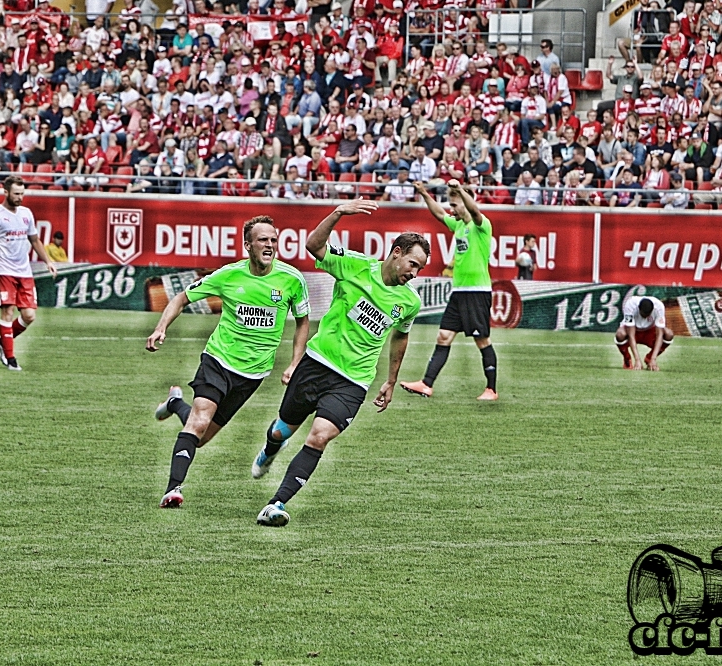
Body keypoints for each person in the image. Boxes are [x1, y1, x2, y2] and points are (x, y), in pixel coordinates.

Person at [253, 201, 428, 527]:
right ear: (396, 252)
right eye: (412, 264)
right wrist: (338, 213)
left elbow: (400, 337)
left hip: (354, 380)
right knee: (281, 429)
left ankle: (276, 503)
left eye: (419, 269)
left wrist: (390, 380)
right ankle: (270, 448)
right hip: (317, 363)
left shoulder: (409, 301)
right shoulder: (355, 266)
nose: (414, 273)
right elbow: (313, 246)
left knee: (319, 437)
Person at [146, 216, 311, 508]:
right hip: (219, 360)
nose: (270, 245)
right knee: (198, 421)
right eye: (263, 240)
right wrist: (161, 328)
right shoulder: (228, 275)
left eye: (273, 239)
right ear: (247, 245)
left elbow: (302, 321)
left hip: (253, 373)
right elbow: (181, 298)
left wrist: (295, 361)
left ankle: (174, 404)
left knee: (202, 436)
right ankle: (173, 489)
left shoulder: (292, 279)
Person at [401, 180, 498, 401]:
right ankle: (426, 384)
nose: (451, 210)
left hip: (477, 291)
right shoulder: (459, 226)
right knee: (443, 336)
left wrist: (461, 191)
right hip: (459, 292)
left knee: (482, 340)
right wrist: (425, 193)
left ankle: (491, 389)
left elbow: (474, 210)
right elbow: (438, 214)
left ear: (465, 202)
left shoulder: (481, 225)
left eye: (455, 205)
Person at [0, 176, 58, 372]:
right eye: (16, 194)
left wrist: (48, 261)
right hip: (4, 271)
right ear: (6, 192)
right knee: (7, 311)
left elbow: (34, 240)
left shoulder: (26, 213)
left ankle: (2, 341)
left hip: (24, 271)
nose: (20, 198)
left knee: (29, 315)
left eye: (22, 194)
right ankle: (10, 358)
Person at [615, 295, 673, 371]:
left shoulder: (659, 307)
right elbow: (631, 335)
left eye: (648, 315)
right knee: (620, 334)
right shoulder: (630, 304)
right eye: (643, 314)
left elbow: (660, 335)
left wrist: (653, 358)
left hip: (650, 330)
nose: (645, 317)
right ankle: (627, 358)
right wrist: (637, 360)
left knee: (669, 334)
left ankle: (649, 358)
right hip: (634, 330)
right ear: (639, 309)